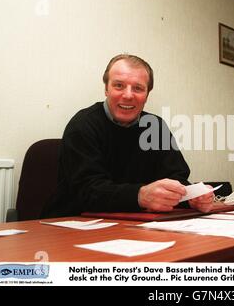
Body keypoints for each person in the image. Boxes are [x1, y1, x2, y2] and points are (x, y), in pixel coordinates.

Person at [42, 54, 214, 217]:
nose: (128, 95)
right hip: (72, 224)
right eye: (119, 85)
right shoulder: (82, 125)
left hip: (135, 225)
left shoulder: (155, 127)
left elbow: (176, 178)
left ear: (147, 95)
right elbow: (86, 191)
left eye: (138, 88)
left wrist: (190, 198)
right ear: (106, 89)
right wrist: (140, 196)